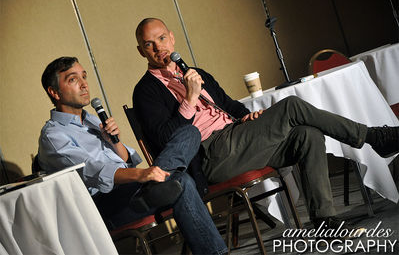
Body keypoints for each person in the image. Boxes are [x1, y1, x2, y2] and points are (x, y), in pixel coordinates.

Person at [132, 17, 399, 229]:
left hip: (237, 139)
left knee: (306, 135)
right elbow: (165, 140)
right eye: (149, 44)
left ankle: (325, 222)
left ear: (173, 37)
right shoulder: (146, 91)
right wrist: (189, 100)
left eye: (162, 38)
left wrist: (247, 116)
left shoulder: (195, 73)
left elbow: (231, 106)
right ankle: (375, 138)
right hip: (209, 155)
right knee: (292, 106)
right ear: (141, 51)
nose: (159, 48)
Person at [38, 56, 227, 255]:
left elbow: (127, 161)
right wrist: (141, 175)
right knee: (180, 182)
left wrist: (115, 142)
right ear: (54, 92)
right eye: (73, 79)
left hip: (134, 189)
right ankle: (156, 189)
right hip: (105, 204)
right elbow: (91, 171)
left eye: (84, 76)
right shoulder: (53, 136)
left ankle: (154, 188)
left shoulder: (92, 120)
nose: (84, 84)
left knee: (190, 133)